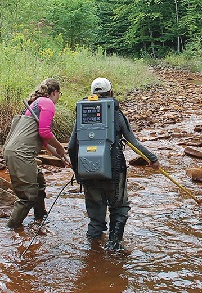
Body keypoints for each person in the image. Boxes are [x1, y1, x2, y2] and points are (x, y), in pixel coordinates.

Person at [68, 77, 161, 250]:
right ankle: (114, 245)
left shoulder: (82, 113)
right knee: (120, 207)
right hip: (114, 170)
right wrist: (153, 159)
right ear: (111, 92)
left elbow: (72, 146)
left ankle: (92, 253)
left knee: (95, 216)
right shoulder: (115, 113)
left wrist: (78, 172)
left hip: (87, 171)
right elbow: (133, 141)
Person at [3, 78, 70, 229]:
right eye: (60, 93)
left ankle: (40, 217)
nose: (59, 96)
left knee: (39, 183)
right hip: (21, 154)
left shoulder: (35, 105)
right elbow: (45, 132)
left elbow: (43, 141)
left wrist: (60, 156)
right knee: (28, 196)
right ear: (54, 92)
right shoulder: (47, 103)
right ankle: (12, 228)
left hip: (14, 151)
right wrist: (60, 147)